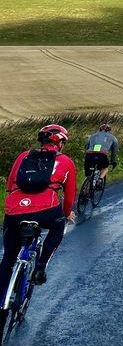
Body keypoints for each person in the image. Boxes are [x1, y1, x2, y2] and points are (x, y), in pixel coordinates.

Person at [0, 124, 76, 290]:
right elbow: (69, 197)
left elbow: (10, 187)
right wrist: (66, 213)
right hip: (47, 210)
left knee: (8, 259)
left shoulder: (23, 156)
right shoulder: (66, 162)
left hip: (15, 210)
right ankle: (40, 268)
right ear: (61, 143)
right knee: (58, 226)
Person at [85, 123, 119, 189]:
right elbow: (114, 151)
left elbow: (86, 146)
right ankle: (100, 179)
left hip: (89, 155)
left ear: (100, 129)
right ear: (109, 130)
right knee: (105, 168)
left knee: (88, 175)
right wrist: (113, 161)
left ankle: (85, 189)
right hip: (102, 155)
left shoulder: (92, 136)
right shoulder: (113, 138)